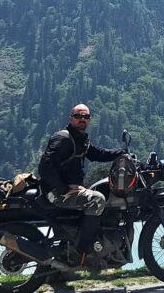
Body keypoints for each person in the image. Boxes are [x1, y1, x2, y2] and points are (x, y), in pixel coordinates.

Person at [38, 103, 123, 267]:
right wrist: (62, 188)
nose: (82, 119)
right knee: (97, 200)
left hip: (66, 191)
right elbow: (45, 166)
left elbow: (97, 153)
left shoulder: (80, 139)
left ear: (90, 120)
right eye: (78, 116)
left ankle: (78, 241)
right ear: (71, 118)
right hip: (57, 193)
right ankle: (83, 253)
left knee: (98, 193)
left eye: (86, 117)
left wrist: (121, 153)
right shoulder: (64, 138)